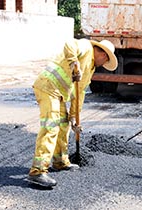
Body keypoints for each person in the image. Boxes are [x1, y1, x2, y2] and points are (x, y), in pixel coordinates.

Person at [27, 39, 118, 187]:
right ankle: (37, 171)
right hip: (48, 86)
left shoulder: (91, 68)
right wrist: (73, 61)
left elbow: (79, 92)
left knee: (64, 124)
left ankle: (60, 161)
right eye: (106, 59)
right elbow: (69, 44)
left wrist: (74, 116)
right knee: (51, 126)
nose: (104, 63)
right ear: (102, 53)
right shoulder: (86, 47)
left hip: (59, 93)